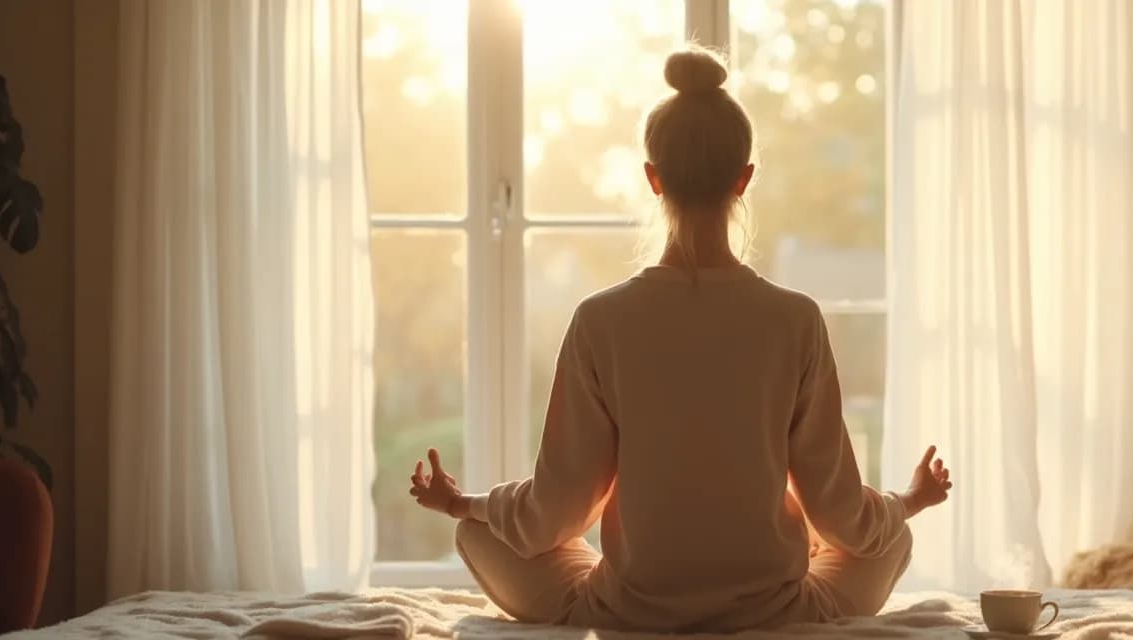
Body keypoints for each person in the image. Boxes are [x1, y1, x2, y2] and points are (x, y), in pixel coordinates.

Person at [407, 45, 952, 633]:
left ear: (652, 178)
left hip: (626, 609)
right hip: (778, 609)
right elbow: (843, 514)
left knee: (477, 536)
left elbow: (554, 515)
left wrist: (463, 505)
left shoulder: (600, 319)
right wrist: (910, 501)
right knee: (889, 541)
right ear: (745, 179)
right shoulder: (796, 319)